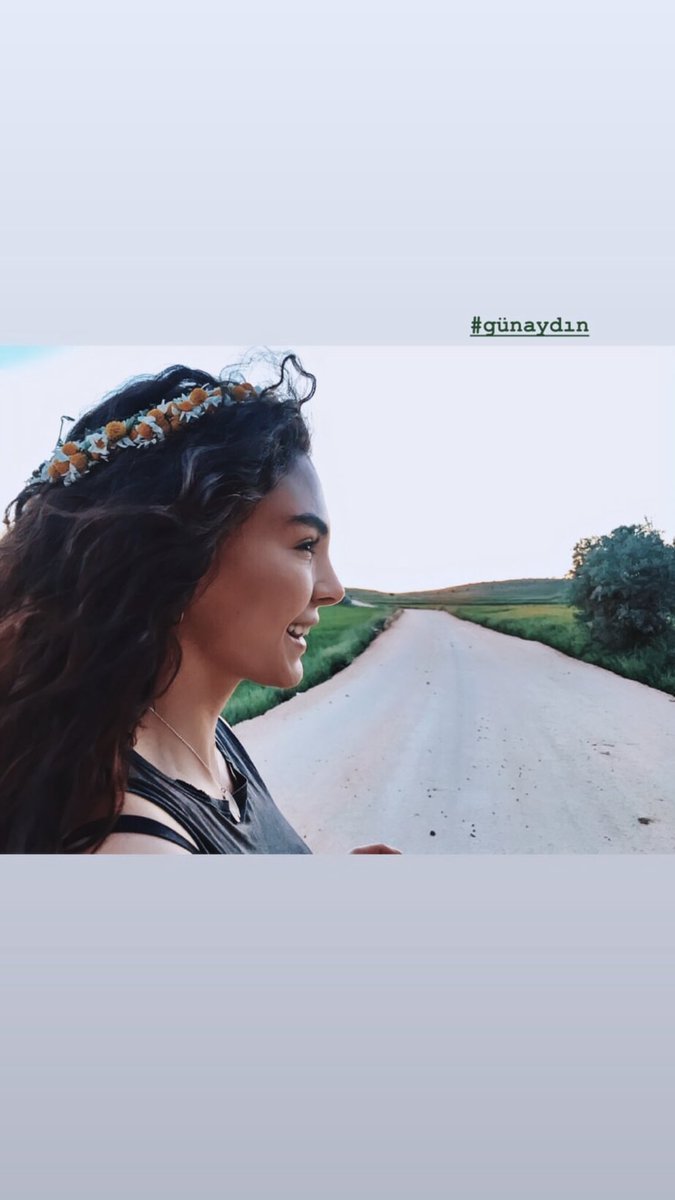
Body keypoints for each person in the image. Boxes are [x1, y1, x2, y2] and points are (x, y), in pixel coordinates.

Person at [0, 352, 401, 855]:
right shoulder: (138, 848)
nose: (333, 588)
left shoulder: (209, 743)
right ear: (181, 552)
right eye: (305, 546)